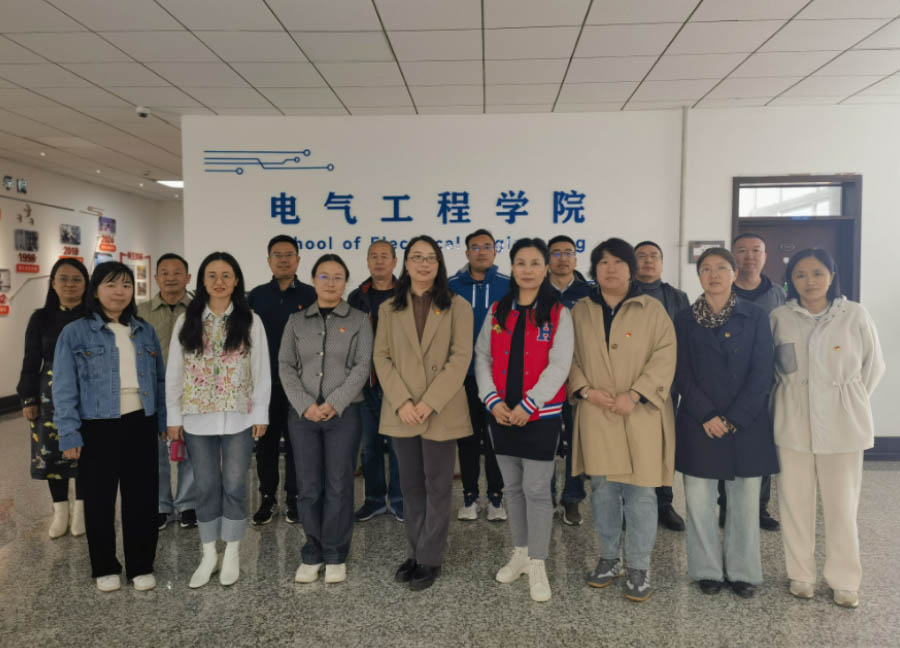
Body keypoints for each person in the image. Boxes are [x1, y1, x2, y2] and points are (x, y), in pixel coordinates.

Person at [771, 249, 884, 608]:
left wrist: (847, 400)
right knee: (794, 504)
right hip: (793, 422)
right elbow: (773, 370)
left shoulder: (854, 315)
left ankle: (844, 580)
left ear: (832, 276)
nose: (810, 281)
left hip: (843, 424)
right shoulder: (780, 317)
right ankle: (801, 575)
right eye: (800, 275)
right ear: (791, 281)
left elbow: (873, 367)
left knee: (842, 506)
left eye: (817, 273)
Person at [569, 238, 676, 603]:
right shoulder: (581, 310)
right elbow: (568, 357)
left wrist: (635, 394)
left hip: (640, 413)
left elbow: (665, 355)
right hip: (597, 412)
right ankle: (609, 558)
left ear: (631, 269)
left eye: (618, 262)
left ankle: (639, 567)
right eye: (603, 262)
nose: (610, 269)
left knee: (642, 493)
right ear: (594, 269)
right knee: (603, 491)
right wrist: (585, 391)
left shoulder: (652, 309)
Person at [53, 262, 165, 592]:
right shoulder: (75, 332)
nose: (120, 292)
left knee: (142, 499)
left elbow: (158, 380)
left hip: (140, 422)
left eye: (126, 285)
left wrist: (163, 421)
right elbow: (64, 387)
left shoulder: (145, 330)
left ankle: (141, 565)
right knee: (100, 501)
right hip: (97, 425)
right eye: (111, 285)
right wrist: (69, 432)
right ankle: (104, 566)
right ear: (96, 290)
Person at [674, 247, 778, 599]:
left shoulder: (756, 315)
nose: (714, 274)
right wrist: (706, 415)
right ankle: (706, 570)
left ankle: (742, 572)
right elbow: (681, 373)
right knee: (699, 503)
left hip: (745, 423)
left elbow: (763, 372)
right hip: (698, 422)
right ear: (699, 276)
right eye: (706, 268)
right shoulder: (684, 319)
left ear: (734, 274)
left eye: (721, 268)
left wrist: (734, 418)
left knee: (745, 504)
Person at [475, 238, 573, 602]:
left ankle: (538, 562)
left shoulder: (558, 313)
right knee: (512, 489)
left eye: (535, 263)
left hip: (540, 416)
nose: (527, 270)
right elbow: (482, 356)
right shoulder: (498, 310)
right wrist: (492, 400)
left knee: (536, 490)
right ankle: (519, 552)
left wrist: (529, 404)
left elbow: (560, 365)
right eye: (521, 263)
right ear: (512, 268)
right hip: (500, 414)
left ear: (546, 269)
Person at [373, 235, 473, 592]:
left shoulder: (458, 306)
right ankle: (415, 551)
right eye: (416, 257)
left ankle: (430, 557)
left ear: (439, 264)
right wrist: (402, 401)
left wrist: (428, 402)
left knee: (438, 486)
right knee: (411, 486)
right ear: (406, 263)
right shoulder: (389, 308)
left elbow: (460, 358)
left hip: (440, 409)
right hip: (402, 410)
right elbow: (381, 357)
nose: (424, 263)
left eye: (430, 257)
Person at [166, 252, 271, 588]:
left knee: (236, 485)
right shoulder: (187, 321)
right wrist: (173, 416)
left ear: (236, 280)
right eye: (212, 275)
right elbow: (175, 372)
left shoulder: (250, 321)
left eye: (226, 275)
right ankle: (209, 552)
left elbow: (262, 371)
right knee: (206, 486)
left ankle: (233, 551)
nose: (219, 281)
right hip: (197, 418)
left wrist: (261, 413)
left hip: (240, 417)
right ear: (202, 281)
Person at [280, 254, 372, 585]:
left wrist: (334, 402)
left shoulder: (359, 320)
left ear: (345, 282)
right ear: (313, 280)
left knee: (339, 484)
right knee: (308, 487)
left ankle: (335, 553)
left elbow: (362, 366)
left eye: (337, 277)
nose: (330, 283)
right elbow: (286, 365)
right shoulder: (296, 321)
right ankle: (312, 551)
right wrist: (305, 404)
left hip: (344, 414)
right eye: (324, 276)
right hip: (303, 415)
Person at [18, 258, 89, 539]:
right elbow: (30, 359)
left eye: (77, 279)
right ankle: (60, 511)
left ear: (86, 284)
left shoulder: (94, 316)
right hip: (48, 394)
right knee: (51, 452)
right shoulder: (40, 318)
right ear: (53, 283)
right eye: (64, 279)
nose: (70, 284)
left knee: (86, 451)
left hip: (88, 392)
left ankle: (81, 510)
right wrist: (28, 398)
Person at [248, 235, 316, 526]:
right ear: (269, 261)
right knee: (266, 444)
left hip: (301, 385)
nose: (283, 260)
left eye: (289, 254)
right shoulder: (256, 296)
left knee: (298, 443)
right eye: (277, 255)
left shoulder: (311, 295)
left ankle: (294, 498)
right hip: (266, 384)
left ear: (298, 260)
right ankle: (267, 498)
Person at [721, 232, 786, 531]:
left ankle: (760, 507)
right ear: (733, 255)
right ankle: (726, 505)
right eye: (742, 250)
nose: (749, 256)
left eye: (756, 250)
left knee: (761, 445)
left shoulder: (778, 294)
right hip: (727, 383)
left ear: (765, 256)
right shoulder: (722, 290)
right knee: (725, 445)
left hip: (765, 383)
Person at [449, 229, 509, 521]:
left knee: (497, 438)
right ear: (466, 253)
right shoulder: (450, 286)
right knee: (468, 439)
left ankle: (496, 498)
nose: (481, 252)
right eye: (475, 247)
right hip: (463, 377)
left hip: (500, 378)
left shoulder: (509, 285)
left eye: (487, 247)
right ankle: (470, 496)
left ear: (495, 252)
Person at [137, 253, 198, 531]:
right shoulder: (140, 312)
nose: (171, 278)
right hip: (150, 390)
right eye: (164, 272)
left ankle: (187, 504)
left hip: (192, 390)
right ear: (155, 278)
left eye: (177, 272)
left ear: (188, 277)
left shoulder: (199, 310)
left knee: (191, 448)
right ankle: (161, 505)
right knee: (154, 452)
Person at [633, 240, 690, 532]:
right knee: (632, 445)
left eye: (654, 256)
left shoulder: (677, 297)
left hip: (667, 385)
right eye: (642, 256)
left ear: (662, 262)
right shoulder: (623, 293)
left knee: (664, 446)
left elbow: (685, 340)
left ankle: (664, 503)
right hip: (629, 384)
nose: (648, 261)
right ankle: (631, 505)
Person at [348, 240, 403, 522]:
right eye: (374, 256)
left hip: (399, 383)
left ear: (395, 261)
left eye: (384, 256)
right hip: (366, 383)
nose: (379, 261)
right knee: (369, 447)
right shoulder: (357, 297)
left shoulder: (407, 294)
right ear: (368, 262)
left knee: (398, 446)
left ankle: (400, 500)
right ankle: (374, 500)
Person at [546, 235, 591, 526]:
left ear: (576, 258)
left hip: (579, 378)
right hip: (545, 378)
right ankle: (547, 496)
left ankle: (572, 497)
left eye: (568, 252)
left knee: (577, 439)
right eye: (556, 253)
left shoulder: (588, 293)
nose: (563, 258)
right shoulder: (537, 291)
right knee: (545, 440)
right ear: (548, 259)